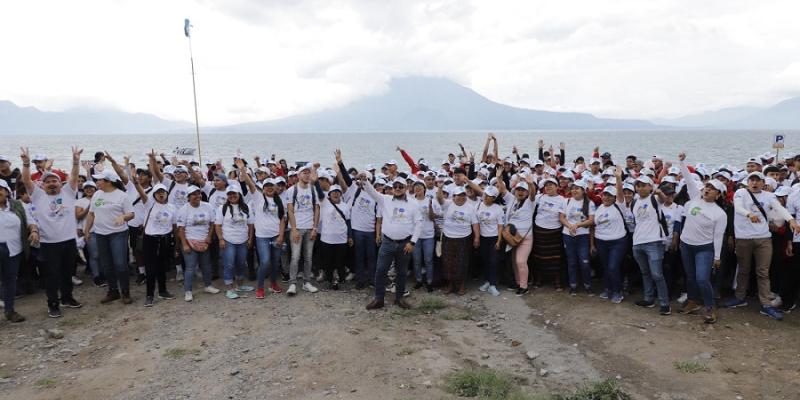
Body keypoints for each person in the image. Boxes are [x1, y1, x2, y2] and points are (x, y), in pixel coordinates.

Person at [724, 171, 799, 321]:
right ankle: (740, 297)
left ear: (763, 183)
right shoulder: (741, 192)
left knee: (763, 271)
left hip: (763, 238)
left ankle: (766, 304)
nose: (754, 183)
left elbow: (779, 208)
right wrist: (748, 214)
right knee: (743, 270)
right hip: (743, 238)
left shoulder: (769, 196)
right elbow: (738, 207)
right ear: (747, 181)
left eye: (757, 180)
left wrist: (791, 220)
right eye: (751, 180)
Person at [21, 146, 83, 318]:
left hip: (68, 240)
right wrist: (26, 163)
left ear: (59, 182)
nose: (51, 183)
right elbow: (26, 181)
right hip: (49, 243)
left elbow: (75, 176)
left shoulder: (68, 193)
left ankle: (67, 298)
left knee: (67, 272)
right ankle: (53, 303)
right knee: (51, 275)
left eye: (54, 180)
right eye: (47, 182)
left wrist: (76, 161)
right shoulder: (38, 196)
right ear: (43, 185)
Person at [677, 153, 728, 323]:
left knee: (702, 278)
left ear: (719, 195)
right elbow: (688, 178)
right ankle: (693, 301)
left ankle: (710, 306)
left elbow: (718, 236)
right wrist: (682, 162)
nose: (707, 189)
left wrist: (717, 257)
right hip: (686, 245)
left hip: (704, 248)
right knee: (690, 276)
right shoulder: (694, 197)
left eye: (712, 188)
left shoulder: (719, 214)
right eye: (707, 186)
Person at [361, 177, 422, 310]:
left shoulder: (413, 203)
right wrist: (365, 181)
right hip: (387, 242)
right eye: (395, 186)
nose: (398, 188)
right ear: (392, 188)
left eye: (401, 186)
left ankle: (399, 298)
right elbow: (372, 192)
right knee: (381, 270)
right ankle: (379, 299)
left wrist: (412, 242)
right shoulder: (385, 199)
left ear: (406, 188)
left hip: (405, 244)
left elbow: (418, 224)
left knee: (402, 272)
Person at [85, 169, 135, 305]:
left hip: (118, 234)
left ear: (108, 182)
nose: (97, 182)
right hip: (100, 234)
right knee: (106, 265)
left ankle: (125, 292)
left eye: (99, 180)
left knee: (120, 264)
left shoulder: (122, 196)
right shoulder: (97, 195)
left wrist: (123, 216)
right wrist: (87, 231)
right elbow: (91, 214)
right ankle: (113, 291)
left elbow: (131, 213)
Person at [629, 173, 672, 315]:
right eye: (638, 186)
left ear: (650, 187)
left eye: (644, 185)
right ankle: (648, 299)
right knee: (645, 272)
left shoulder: (654, 199)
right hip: (638, 242)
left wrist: (659, 191)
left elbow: (663, 199)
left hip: (654, 242)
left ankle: (665, 303)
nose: (640, 188)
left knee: (657, 274)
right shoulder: (634, 202)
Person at [242, 172, 286, 298]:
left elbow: (282, 219)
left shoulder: (279, 202)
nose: (269, 188)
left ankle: (273, 284)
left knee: (275, 262)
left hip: (276, 236)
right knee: (265, 261)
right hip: (262, 237)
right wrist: (242, 169)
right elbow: (250, 184)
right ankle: (260, 287)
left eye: (271, 185)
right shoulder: (258, 198)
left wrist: (281, 236)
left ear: (275, 188)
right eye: (266, 186)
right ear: (263, 188)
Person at [135, 183, 177, 307]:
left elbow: (174, 226)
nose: (161, 194)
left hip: (165, 239)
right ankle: (149, 295)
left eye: (163, 192)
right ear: (154, 194)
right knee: (150, 269)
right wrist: (136, 182)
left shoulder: (172, 208)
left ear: (167, 194)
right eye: (158, 192)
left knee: (162, 267)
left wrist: (176, 244)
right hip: (150, 240)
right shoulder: (149, 204)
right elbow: (141, 192)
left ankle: (163, 291)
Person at [0, 179, 36, 322]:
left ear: (7, 192)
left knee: (10, 281)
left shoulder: (17, 206)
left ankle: (10, 311)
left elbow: (30, 221)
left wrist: (34, 231)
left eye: (0, 189)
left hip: (13, 249)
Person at [176, 185, 220, 301]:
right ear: (189, 197)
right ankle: (188, 291)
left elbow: (212, 223)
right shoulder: (184, 209)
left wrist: (209, 237)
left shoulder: (208, 206)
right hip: (190, 241)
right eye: (194, 194)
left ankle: (208, 285)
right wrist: (184, 244)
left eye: (199, 193)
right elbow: (180, 229)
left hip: (204, 241)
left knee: (206, 265)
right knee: (190, 267)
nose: (197, 196)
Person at [436, 185, 480, 295]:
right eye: (458, 195)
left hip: (464, 238)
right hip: (448, 237)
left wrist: (477, 238)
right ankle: (450, 284)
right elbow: (439, 199)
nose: (461, 197)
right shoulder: (447, 204)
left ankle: (461, 285)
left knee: (462, 263)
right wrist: (440, 188)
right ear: (453, 196)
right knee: (448, 262)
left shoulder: (470, 207)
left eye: (463, 195)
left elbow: (475, 223)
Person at [592, 174, 628, 304]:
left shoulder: (619, 206)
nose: (606, 197)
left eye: (609, 195)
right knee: (605, 267)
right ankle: (608, 288)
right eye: (604, 195)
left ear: (614, 198)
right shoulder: (599, 208)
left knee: (613, 267)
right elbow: (594, 224)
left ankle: (617, 291)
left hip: (617, 242)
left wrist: (618, 178)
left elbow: (620, 193)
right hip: (601, 241)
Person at [215, 184, 255, 299]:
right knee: (229, 264)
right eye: (229, 194)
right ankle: (230, 288)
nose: (232, 196)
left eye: (234, 193)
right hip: (228, 240)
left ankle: (239, 286)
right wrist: (221, 239)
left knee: (241, 263)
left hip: (243, 240)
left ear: (239, 195)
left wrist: (250, 238)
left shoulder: (246, 207)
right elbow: (217, 225)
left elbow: (251, 225)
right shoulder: (222, 208)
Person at [500, 171, 537, 296]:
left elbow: (533, 195)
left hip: (525, 238)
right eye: (518, 190)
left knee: (521, 261)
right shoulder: (511, 199)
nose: (520, 192)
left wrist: (530, 184)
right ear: (515, 191)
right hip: (511, 237)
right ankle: (518, 283)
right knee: (515, 261)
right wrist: (499, 177)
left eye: (523, 190)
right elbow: (502, 189)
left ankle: (524, 286)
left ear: (526, 192)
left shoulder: (530, 202)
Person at [286, 163, 321, 296]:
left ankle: (307, 282)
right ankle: (292, 283)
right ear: (298, 175)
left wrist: (315, 228)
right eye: (304, 172)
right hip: (297, 228)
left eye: (308, 172)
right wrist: (294, 229)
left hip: (309, 228)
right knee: (295, 257)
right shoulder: (291, 190)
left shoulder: (313, 190)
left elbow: (317, 209)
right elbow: (290, 210)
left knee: (308, 257)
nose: (306, 175)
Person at [560, 180, 596, 295]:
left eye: (577, 188)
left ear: (583, 191)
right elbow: (561, 217)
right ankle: (573, 285)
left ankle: (588, 285)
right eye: (573, 188)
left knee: (584, 262)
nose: (574, 190)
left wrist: (577, 225)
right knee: (571, 262)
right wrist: (570, 226)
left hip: (583, 236)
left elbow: (591, 220)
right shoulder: (567, 201)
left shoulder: (589, 203)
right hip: (568, 235)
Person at [468, 181, 504, 297]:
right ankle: (487, 281)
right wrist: (477, 238)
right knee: (485, 260)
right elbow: (476, 222)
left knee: (493, 261)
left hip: (493, 238)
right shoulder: (478, 205)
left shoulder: (497, 209)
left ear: (493, 198)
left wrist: (499, 240)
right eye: (485, 195)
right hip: (483, 238)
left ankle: (493, 284)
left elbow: (500, 226)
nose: (485, 197)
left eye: (488, 196)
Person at [532, 177, 567, 289]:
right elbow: (530, 200)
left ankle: (557, 281)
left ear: (557, 187)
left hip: (555, 231)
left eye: (551, 184)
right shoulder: (539, 197)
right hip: (539, 230)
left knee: (556, 258)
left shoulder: (563, 200)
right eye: (546, 185)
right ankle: (539, 279)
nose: (549, 187)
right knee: (539, 256)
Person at [318, 184, 352, 290]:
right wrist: (315, 181)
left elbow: (348, 222)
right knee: (328, 261)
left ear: (341, 194)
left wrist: (350, 236)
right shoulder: (324, 203)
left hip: (341, 239)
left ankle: (339, 281)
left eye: (338, 192)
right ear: (329, 194)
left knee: (340, 261)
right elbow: (319, 191)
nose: (336, 194)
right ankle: (329, 280)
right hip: (327, 238)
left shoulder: (345, 206)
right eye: (333, 192)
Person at [411, 180, 439, 292]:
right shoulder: (411, 202)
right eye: (415, 187)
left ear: (424, 189)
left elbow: (433, 218)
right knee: (416, 259)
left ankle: (429, 282)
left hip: (428, 235)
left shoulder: (430, 200)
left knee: (428, 259)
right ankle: (418, 280)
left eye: (420, 187)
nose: (418, 188)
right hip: (415, 236)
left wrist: (430, 208)